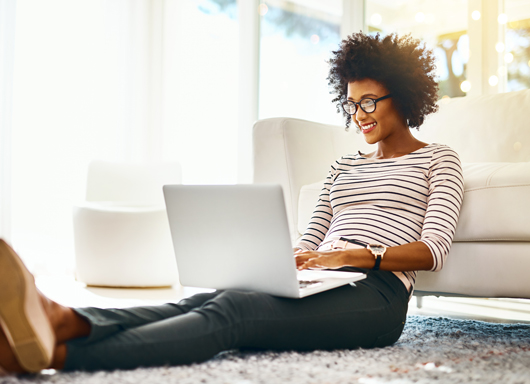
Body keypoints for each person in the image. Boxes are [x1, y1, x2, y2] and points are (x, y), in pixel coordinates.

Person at [0, 33, 464, 374]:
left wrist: (355, 256)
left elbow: (434, 249)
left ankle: (63, 356)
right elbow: (310, 237)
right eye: (350, 105)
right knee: (214, 297)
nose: (358, 116)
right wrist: (286, 262)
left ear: (402, 96)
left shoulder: (439, 161)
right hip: (321, 277)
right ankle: (65, 321)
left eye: (369, 102)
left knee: (236, 316)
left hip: (377, 297)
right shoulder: (343, 166)